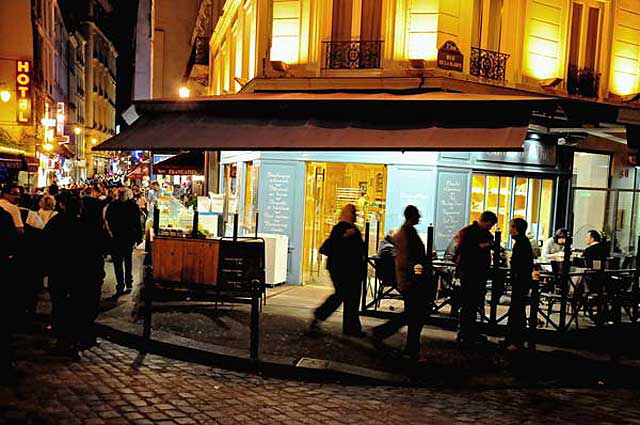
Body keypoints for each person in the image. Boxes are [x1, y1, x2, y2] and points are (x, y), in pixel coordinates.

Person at [372, 205, 431, 360]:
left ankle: (409, 346)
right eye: (417, 215)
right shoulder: (407, 234)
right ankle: (405, 344)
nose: (419, 218)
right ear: (412, 216)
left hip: (409, 279)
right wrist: (417, 274)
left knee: (413, 313)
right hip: (411, 280)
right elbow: (408, 258)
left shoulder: (406, 232)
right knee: (415, 313)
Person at [309, 204, 366, 337]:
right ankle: (321, 315)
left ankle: (350, 327)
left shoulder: (348, 229)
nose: (355, 215)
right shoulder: (342, 229)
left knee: (347, 296)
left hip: (347, 270)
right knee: (344, 295)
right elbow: (341, 248)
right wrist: (346, 236)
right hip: (344, 270)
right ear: (348, 214)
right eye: (353, 212)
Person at [454, 210, 498, 345]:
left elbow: (492, 243)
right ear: (485, 221)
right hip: (469, 272)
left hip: (479, 272)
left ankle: (470, 331)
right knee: (468, 302)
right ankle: (464, 332)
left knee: (474, 302)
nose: (490, 228)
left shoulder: (484, 233)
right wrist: (482, 246)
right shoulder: (467, 232)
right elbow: (460, 249)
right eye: (490, 225)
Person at [503, 218, 534, 351]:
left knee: (517, 310)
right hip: (522, 281)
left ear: (515, 228)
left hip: (520, 281)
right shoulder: (523, 242)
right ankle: (512, 338)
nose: (509, 230)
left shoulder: (521, 244)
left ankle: (516, 340)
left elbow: (519, 264)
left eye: (510, 227)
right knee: (517, 309)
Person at [105, 188, 143, 296]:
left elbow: (108, 219)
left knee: (118, 262)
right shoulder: (133, 206)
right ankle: (128, 283)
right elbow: (137, 223)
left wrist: (111, 232)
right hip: (128, 238)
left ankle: (120, 285)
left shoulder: (113, 205)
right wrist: (138, 238)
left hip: (116, 237)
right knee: (127, 260)